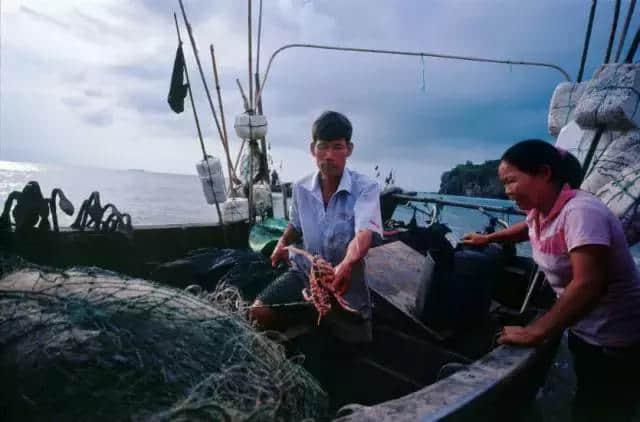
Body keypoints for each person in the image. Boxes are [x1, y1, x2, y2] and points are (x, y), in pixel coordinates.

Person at [462, 139, 640, 421]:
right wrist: (489, 238)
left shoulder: (581, 212)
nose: (506, 191)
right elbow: (528, 228)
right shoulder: (541, 210)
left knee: (600, 409)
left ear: (544, 173)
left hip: (614, 340)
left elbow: (588, 285)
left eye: (511, 181)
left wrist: (536, 332)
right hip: (585, 329)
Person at [249, 111, 383, 343]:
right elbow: (295, 225)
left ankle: (318, 319)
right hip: (304, 273)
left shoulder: (366, 188)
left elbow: (364, 234)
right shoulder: (301, 188)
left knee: (356, 343)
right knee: (257, 313)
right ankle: (301, 323)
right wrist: (281, 244)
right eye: (323, 147)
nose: (329, 156)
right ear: (313, 149)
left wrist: (347, 264)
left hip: (343, 280)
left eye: (337, 147)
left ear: (349, 149)